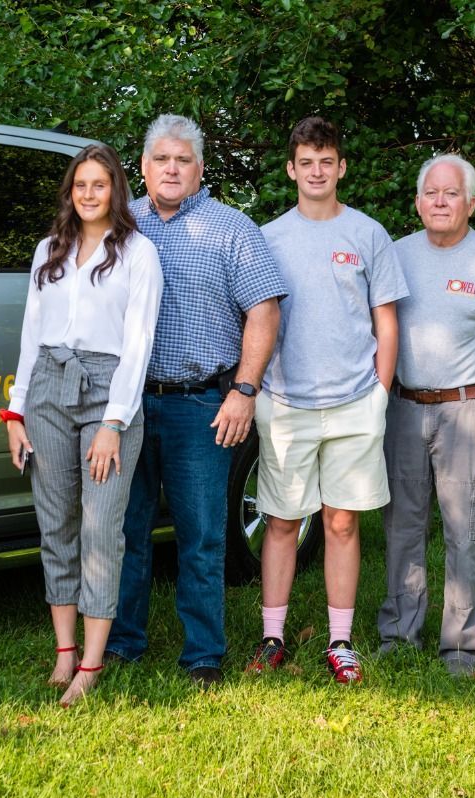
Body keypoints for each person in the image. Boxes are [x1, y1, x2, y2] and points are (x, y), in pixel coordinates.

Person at [105, 114, 286, 687]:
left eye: (183, 160)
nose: (172, 169)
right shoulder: (119, 225)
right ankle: (122, 644)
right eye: (162, 159)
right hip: (127, 405)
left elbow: (264, 310)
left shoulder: (232, 229)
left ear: (200, 169)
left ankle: (203, 654)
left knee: (202, 534)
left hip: (201, 404)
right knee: (126, 530)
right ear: (143, 167)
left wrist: (243, 390)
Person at [249, 116, 407, 684]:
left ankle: (340, 642)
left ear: (341, 167)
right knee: (283, 521)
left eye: (327, 161)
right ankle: (273, 637)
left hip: (354, 403)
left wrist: (380, 394)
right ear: (291, 169)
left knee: (341, 523)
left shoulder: (368, 234)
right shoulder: (266, 238)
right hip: (286, 401)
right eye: (306, 162)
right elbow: (254, 320)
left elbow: (385, 322)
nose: (317, 172)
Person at [4, 144, 163, 706]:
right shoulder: (50, 249)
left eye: (100, 184)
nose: (89, 194)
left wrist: (113, 423)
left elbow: (138, 345)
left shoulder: (138, 254)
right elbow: (30, 333)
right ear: (70, 192)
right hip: (48, 383)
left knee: (100, 527)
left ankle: (92, 663)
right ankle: (64, 652)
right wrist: (16, 411)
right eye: (80, 185)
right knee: (56, 522)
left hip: (107, 391)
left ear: (115, 190)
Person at [378, 153, 475, 677]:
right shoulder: (394, 255)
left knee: (465, 529)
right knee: (402, 525)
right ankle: (400, 635)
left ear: (471, 202)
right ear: (418, 201)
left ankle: (461, 649)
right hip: (402, 407)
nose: (440, 202)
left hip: (466, 413)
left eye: (451, 194)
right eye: (431, 193)